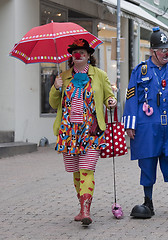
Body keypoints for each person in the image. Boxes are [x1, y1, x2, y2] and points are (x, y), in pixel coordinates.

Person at [123, 27, 168, 219]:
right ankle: (148, 201)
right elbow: (130, 97)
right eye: (162, 50)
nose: (166, 53)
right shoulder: (140, 71)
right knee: (147, 161)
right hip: (148, 124)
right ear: (152, 52)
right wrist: (130, 123)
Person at [49, 39, 117, 226]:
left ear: (88, 56)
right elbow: (54, 104)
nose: (78, 55)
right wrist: (56, 88)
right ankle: (81, 208)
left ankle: (86, 210)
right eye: (75, 52)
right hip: (69, 132)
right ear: (72, 56)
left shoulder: (99, 75)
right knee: (76, 171)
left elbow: (108, 96)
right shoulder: (64, 77)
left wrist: (111, 101)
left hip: (91, 131)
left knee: (87, 169)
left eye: (82, 52)